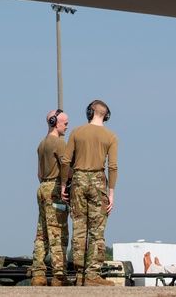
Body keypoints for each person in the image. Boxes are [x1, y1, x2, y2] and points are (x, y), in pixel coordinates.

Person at [60, 100, 117, 286]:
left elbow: (65, 161)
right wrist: (111, 194)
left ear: (89, 113)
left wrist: (63, 185)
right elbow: (113, 166)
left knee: (79, 228)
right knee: (96, 230)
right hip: (98, 182)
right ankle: (92, 275)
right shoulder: (111, 137)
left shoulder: (76, 132)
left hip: (78, 180)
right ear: (106, 116)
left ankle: (79, 275)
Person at [31, 109, 71, 287]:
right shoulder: (59, 143)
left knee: (42, 234)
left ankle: (38, 275)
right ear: (55, 122)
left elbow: (39, 174)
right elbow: (66, 169)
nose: (67, 127)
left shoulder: (41, 144)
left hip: (43, 188)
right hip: (55, 189)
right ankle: (59, 276)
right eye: (65, 123)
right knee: (58, 232)